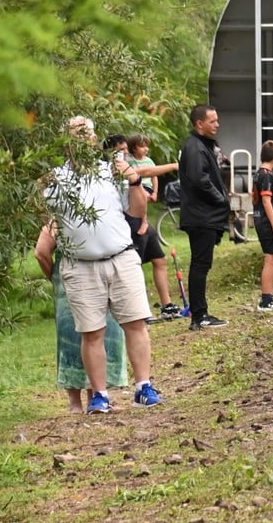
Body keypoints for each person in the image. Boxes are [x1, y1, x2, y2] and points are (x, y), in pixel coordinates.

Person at [46, 116, 161, 413]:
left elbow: (136, 211)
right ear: (66, 141)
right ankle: (100, 395)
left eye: (87, 134)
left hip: (121, 257)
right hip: (80, 265)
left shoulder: (110, 172)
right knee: (91, 332)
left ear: (95, 139)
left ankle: (143, 386)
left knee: (135, 323)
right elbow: (41, 211)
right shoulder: (57, 178)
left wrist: (133, 179)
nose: (83, 139)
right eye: (76, 134)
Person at [35, 222, 130, 413]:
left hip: (100, 278)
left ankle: (95, 397)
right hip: (72, 282)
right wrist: (55, 276)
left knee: (100, 335)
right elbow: (41, 251)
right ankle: (76, 403)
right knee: (73, 339)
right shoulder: (61, 217)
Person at [178, 104, 230, 330]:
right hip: (201, 216)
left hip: (203, 215)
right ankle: (199, 316)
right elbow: (200, 180)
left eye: (217, 120)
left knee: (201, 264)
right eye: (212, 121)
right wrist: (221, 199)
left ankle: (201, 313)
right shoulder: (195, 147)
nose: (217, 124)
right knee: (200, 265)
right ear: (199, 124)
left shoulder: (203, 145)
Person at [124, 134, 182, 320]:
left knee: (160, 260)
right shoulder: (122, 166)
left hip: (144, 222)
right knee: (134, 268)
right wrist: (174, 166)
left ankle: (167, 305)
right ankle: (139, 312)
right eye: (121, 151)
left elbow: (151, 174)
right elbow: (145, 173)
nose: (123, 155)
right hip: (133, 223)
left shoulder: (139, 162)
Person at [252, 140, 273, 312]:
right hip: (267, 222)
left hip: (261, 220)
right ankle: (266, 299)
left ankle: (269, 296)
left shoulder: (258, 173)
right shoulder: (267, 176)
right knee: (271, 259)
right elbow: (266, 201)